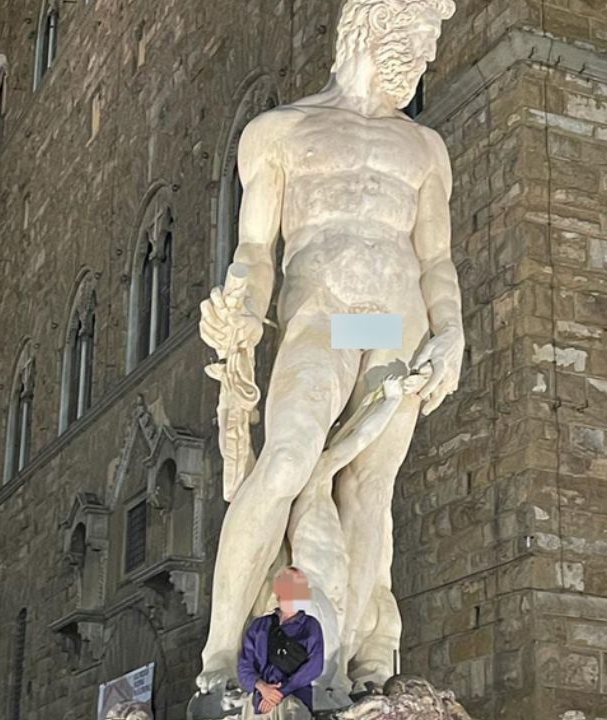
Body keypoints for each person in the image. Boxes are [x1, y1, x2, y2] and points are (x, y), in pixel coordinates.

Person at [196, 0, 463, 695]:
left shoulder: (425, 148)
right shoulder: (280, 132)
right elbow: (256, 250)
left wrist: (452, 330)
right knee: (286, 461)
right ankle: (220, 661)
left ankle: (343, 667)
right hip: (325, 315)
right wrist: (242, 307)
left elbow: (436, 259)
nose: (428, 54)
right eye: (420, 36)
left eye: (433, 41)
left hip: (394, 323)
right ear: (373, 26)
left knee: (370, 488)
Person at [236, 567, 325, 718]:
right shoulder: (259, 626)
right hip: (259, 703)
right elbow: (244, 665)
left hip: (294, 701)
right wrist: (262, 687)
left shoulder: (310, 626)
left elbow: (314, 666)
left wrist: (280, 692)